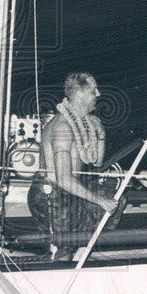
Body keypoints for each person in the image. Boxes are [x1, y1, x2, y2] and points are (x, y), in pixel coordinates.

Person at [26, 72, 123, 261]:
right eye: (93, 90)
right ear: (79, 93)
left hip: (67, 189)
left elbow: (96, 162)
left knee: (115, 201)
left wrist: (101, 135)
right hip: (51, 193)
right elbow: (62, 178)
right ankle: (57, 270)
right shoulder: (62, 127)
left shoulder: (84, 123)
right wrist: (100, 200)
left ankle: (80, 253)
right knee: (62, 248)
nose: (98, 94)